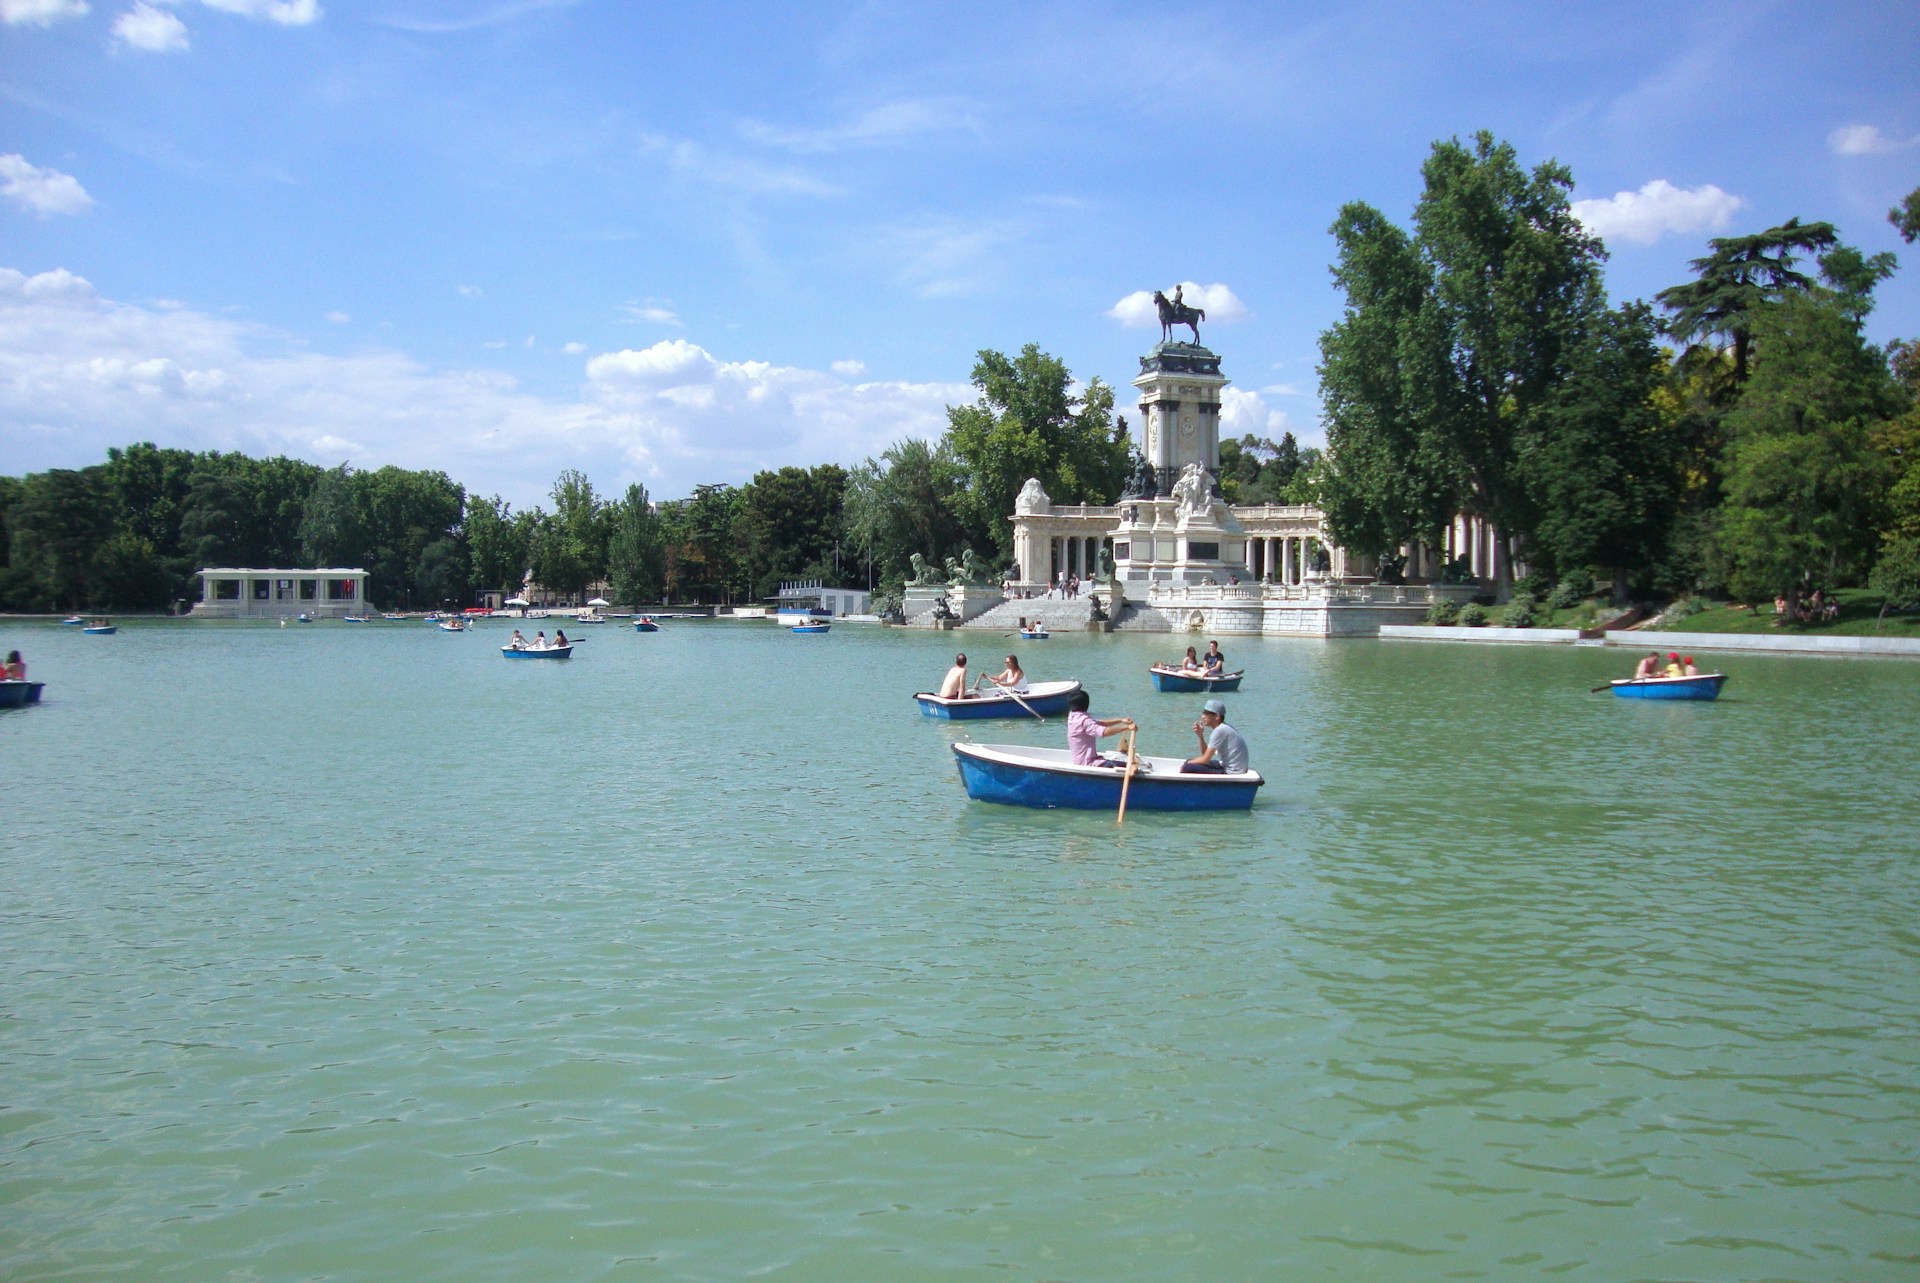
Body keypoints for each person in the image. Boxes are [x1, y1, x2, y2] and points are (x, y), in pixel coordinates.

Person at [1066, 690, 1134, 767]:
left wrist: (1121, 720)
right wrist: (1125, 727)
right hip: (1088, 763)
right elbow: (1104, 732)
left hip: (1081, 760)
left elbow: (1100, 723)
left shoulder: (1073, 716)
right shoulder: (1084, 721)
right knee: (1127, 766)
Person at [1183, 699, 1249, 775]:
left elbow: (1205, 759)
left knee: (1187, 767)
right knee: (1191, 762)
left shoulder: (1220, 730)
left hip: (1232, 771)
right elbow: (1205, 754)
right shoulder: (1224, 728)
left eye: (1206, 713)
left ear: (1217, 716)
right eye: (1203, 713)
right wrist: (1200, 736)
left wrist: (1187, 763)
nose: (1203, 716)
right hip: (1230, 767)